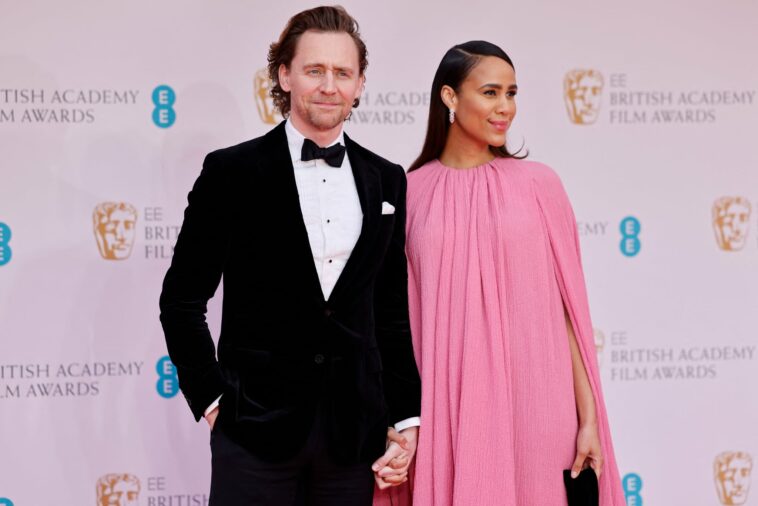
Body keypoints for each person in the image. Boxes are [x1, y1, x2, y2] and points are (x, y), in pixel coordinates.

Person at [159, 6, 420, 505]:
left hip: (352, 437)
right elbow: (182, 301)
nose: (329, 86)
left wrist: (405, 420)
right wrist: (215, 401)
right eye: (314, 70)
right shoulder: (231, 172)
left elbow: (390, 313)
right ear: (284, 74)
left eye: (343, 73)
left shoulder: (386, 179)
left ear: (360, 83)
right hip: (253, 432)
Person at [378, 41, 626, 505]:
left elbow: (569, 313)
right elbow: (397, 322)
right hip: (447, 409)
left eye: (511, 93)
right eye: (490, 92)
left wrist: (589, 419)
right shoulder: (409, 193)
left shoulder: (539, 185)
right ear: (449, 97)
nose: (505, 108)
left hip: (539, 404)